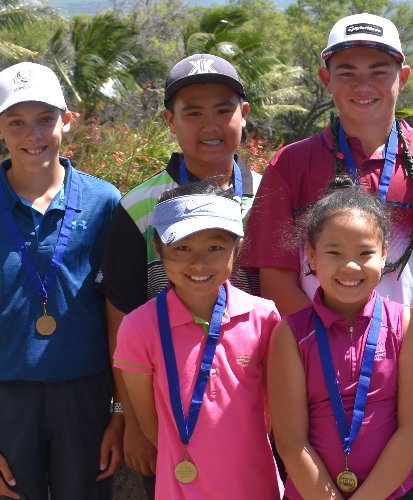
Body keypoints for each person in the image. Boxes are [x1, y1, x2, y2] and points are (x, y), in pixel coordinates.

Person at [0, 61, 123, 499]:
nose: (34, 135)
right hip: (7, 394)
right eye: (17, 122)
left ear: (68, 120)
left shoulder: (103, 201)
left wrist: (120, 413)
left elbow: (116, 316)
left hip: (85, 391)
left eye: (46, 119)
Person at [97, 53, 260, 493]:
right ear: (170, 120)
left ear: (244, 115)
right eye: (193, 113)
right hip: (169, 417)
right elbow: (120, 317)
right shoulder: (138, 207)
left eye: (224, 110)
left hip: (254, 409)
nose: (210, 125)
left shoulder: (269, 197)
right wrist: (128, 416)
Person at [242, 12, 413, 314]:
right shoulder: (290, 164)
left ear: (402, 78)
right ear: (326, 80)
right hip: (316, 356)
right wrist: (322, 348)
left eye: (379, 72)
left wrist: (410, 342)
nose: (363, 86)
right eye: (347, 73)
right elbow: (275, 276)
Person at [268, 175, 413, 499]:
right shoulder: (291, 334)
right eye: (334, 252)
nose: (350, 266)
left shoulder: (408, 325)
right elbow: (290, 442)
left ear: (384, 254)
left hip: (398, 492)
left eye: (364, 253)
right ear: (312, 256)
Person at [112, 182, 282, 499]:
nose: (199, 264)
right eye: (182, 248)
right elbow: (152, 426)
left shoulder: (264, 317)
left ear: (238, 246)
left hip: (257, 487)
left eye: (215, 248)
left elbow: (273, 414)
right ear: (158, 247)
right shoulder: (138, 328)